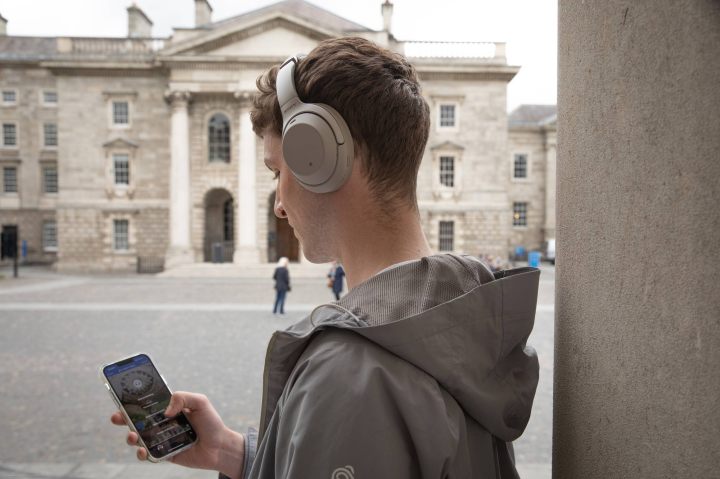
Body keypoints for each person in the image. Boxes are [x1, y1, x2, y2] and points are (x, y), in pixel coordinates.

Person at [111, 36, 539, 478]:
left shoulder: (349, 376)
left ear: (323, 157)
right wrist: (237, 454)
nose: (278, 203)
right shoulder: (469, 320)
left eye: (278, 171)